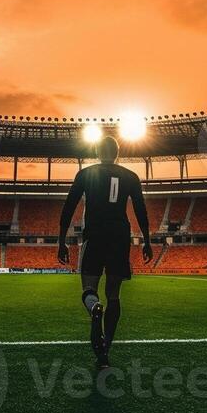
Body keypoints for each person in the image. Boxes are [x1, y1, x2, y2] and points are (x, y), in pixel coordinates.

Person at [58, 135, 153, 368]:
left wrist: (61, 241)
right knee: (114, 295)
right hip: (120, 238)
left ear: (97, 151)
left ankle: (93, 307)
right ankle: (105, 348)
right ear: (117, 153)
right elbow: (141, 210)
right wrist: (148, 241)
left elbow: (68, 206)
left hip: (95, 236)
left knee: (89, 288)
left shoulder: (85, 174)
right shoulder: (131, 177)